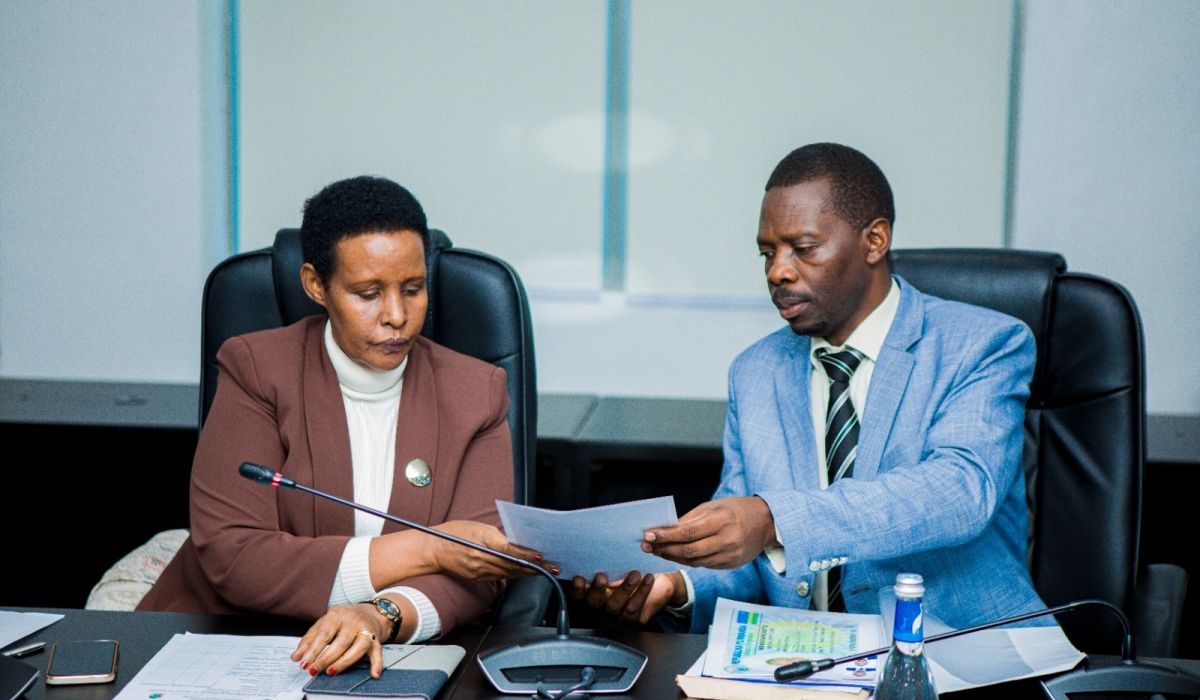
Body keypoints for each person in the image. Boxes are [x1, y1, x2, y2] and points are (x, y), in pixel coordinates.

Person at [572, 143, 1047, 632]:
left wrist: (773, 520)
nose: (778, 270)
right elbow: (751, 561)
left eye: (803, 249)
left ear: (875, 240)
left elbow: (959, 492)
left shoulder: (984, 344)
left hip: (963, 657)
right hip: (806, 660)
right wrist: (678, 585)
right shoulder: (756, 372)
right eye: (767, 252)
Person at [139, 176, 555, 677]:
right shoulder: (256, 369)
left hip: (389, 658)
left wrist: (382, 615)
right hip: (233, 643)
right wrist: (428, 547)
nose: (396, 316)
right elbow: (236, 556)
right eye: (367, 293)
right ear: (316, 285)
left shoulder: (477, 391)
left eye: (413, 289)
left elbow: (479, 569)